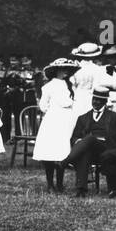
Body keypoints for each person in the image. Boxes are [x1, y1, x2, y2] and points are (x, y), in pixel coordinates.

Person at [65, 85, 116, 196]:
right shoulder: (83, 118)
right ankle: (81, 190)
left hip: (107, 150)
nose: (95, 102)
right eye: (94, 99)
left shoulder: (114, 116)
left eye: (99, 100)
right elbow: (74, 138)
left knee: (90, 139)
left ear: (105, 101)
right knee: (85, 150)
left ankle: (66, 161)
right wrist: (79, 141)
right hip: (91, 152)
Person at [35, 58, 79, 192]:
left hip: (66, 120)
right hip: (53, 120)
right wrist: (53, 110)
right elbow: (42, 106)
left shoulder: (69, 86)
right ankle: (50, 184)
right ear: (56, 71)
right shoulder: (48, 86)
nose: (65, 72)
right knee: (50, 152)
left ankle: (59, 184)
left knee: (62, 151)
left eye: (67, 69)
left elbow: (73, 102)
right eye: (62, 69)